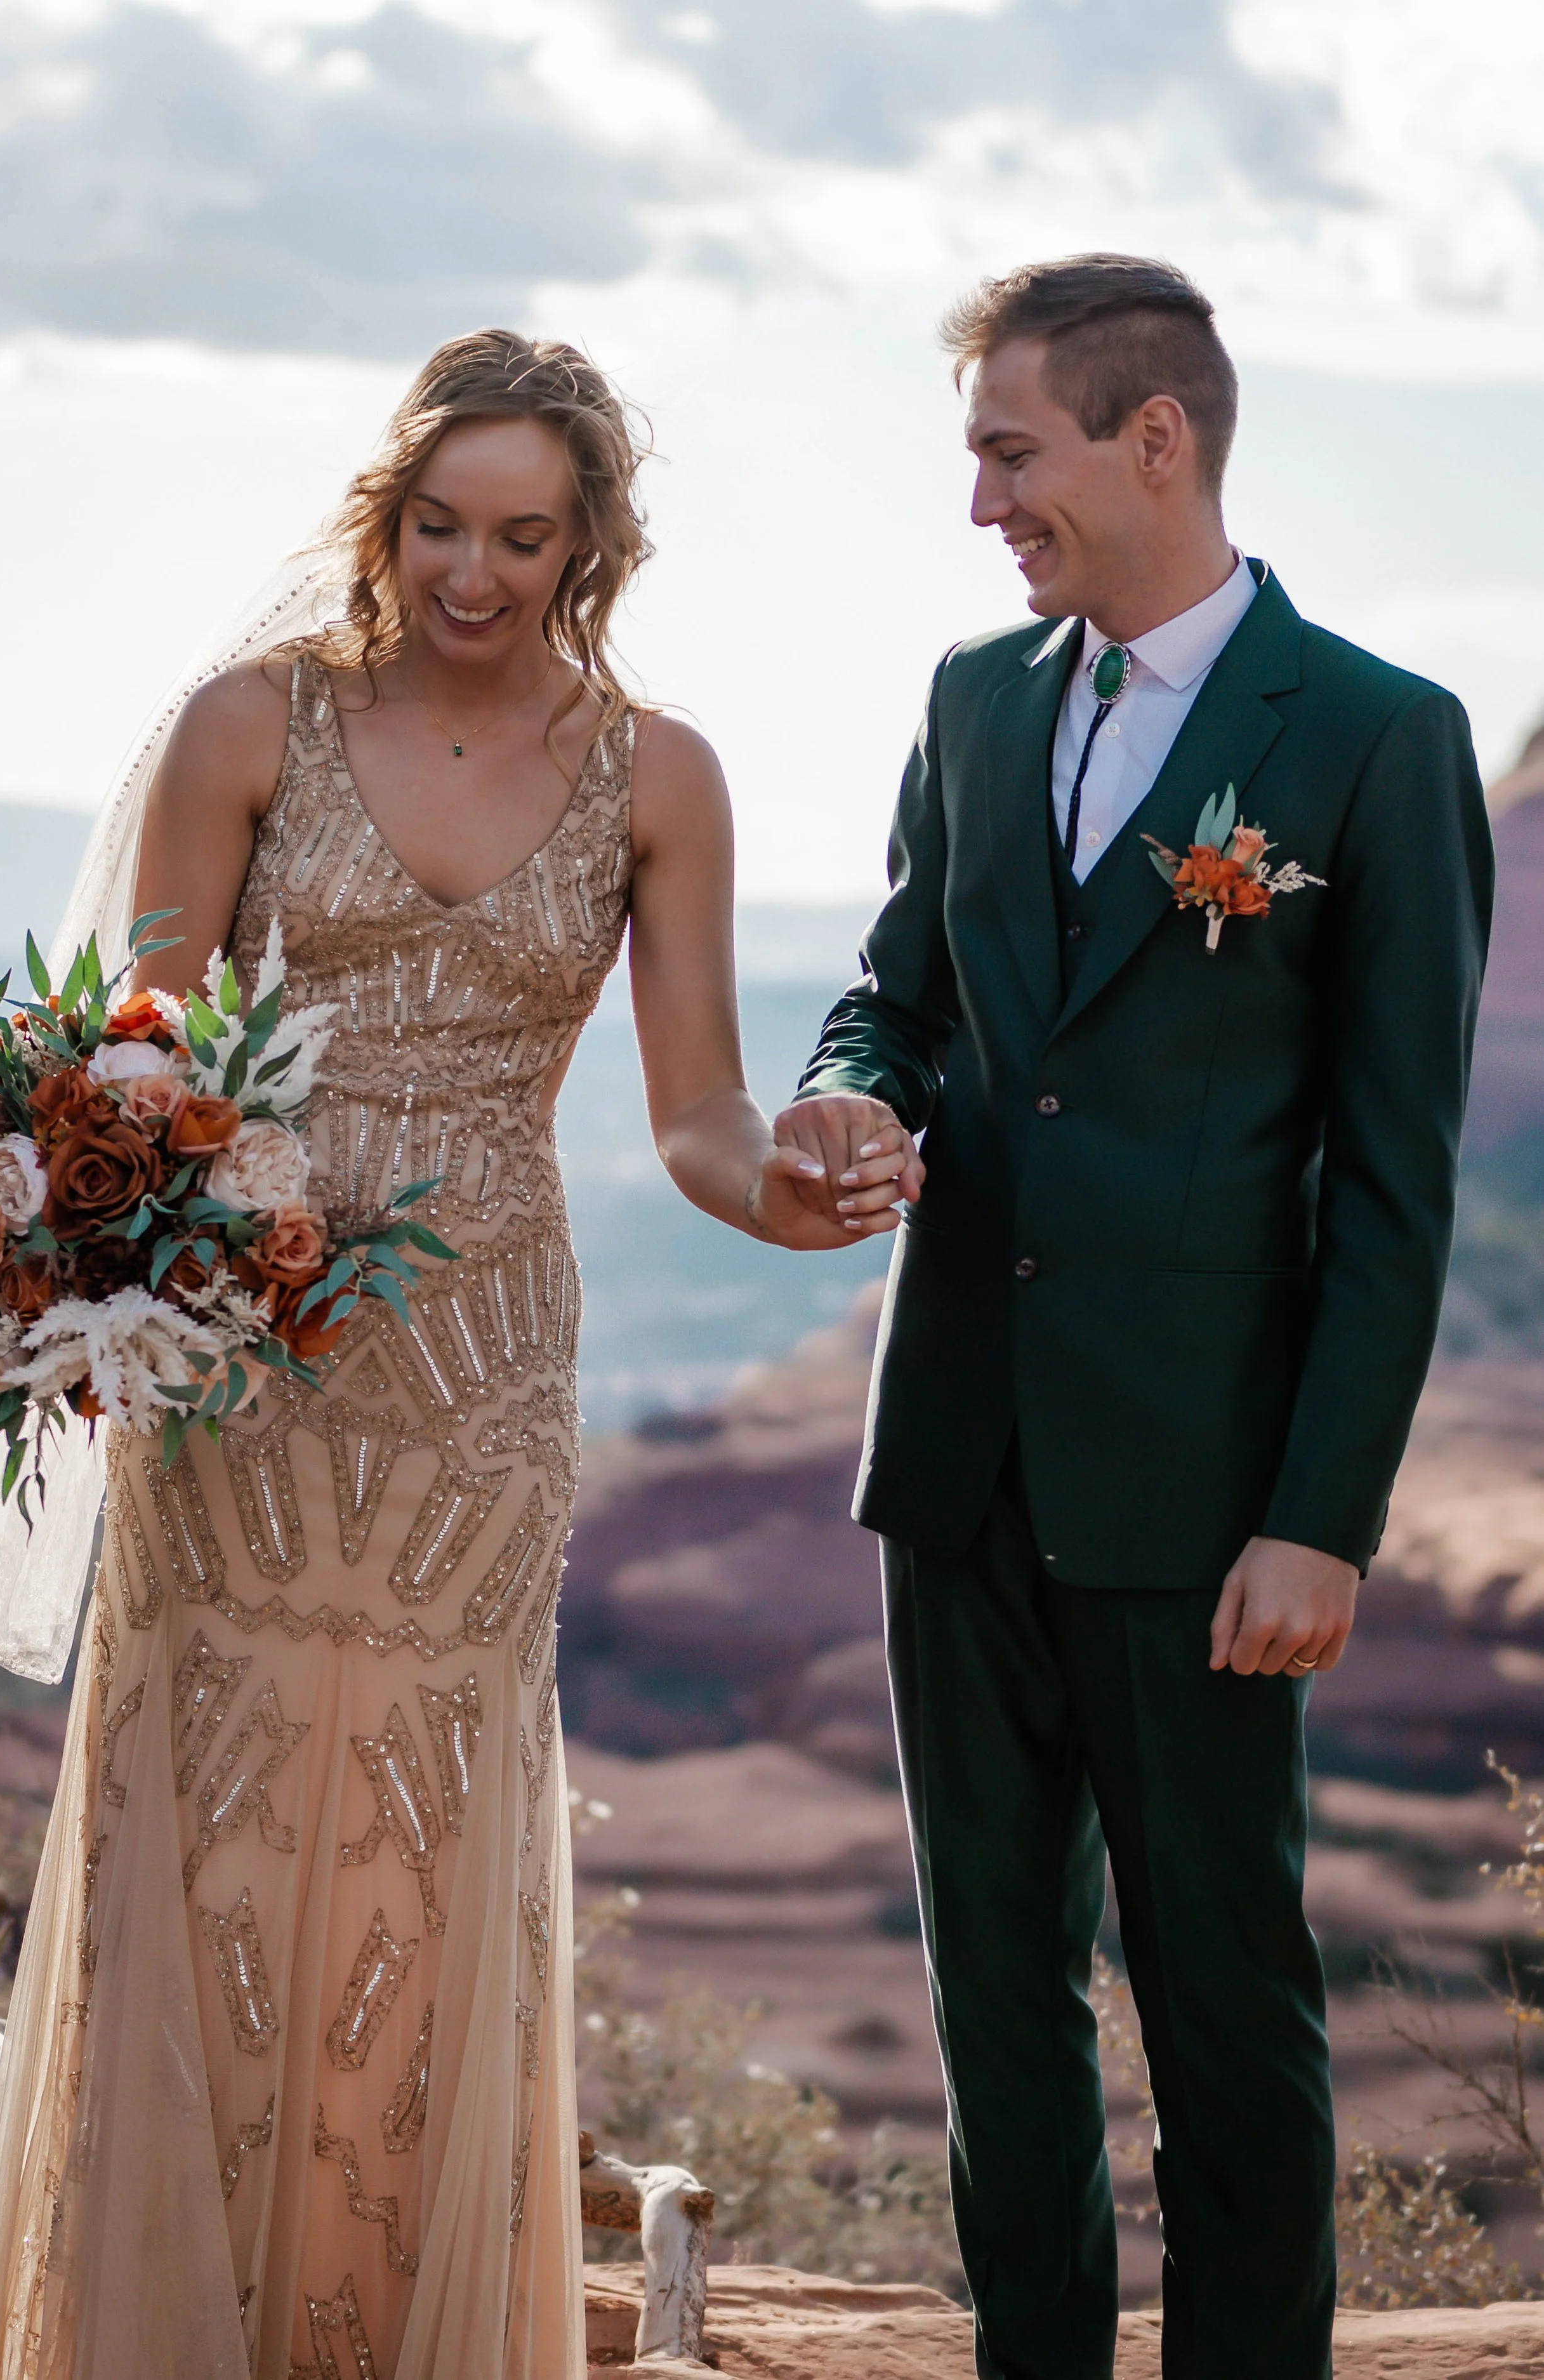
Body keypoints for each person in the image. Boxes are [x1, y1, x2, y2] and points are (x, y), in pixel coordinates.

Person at [0, 331, 901, 2380]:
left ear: (591, 547)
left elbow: (695, 1122)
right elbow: (137, 1069)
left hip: (481, 1380)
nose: (474, 570)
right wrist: (84, 1232)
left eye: (524, 535)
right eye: (441, 523)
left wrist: (799, 1191)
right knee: (198, 1822)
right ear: (387, 513)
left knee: (423, 1835)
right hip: (241, 1377)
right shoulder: (247, 725)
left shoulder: (660, 775)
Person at [776, 256, 1495, 2378]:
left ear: (1149, 436)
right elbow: (894, 988)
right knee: (995, 2005)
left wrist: (1324, 1515)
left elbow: (1394, 1182)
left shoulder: (1373, 737)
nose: (982, 502)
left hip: (1204, 1504)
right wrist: (845, 1092)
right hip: (952, 1463)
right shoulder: (974, 701)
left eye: (1009, 451)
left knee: (1222, 2016)